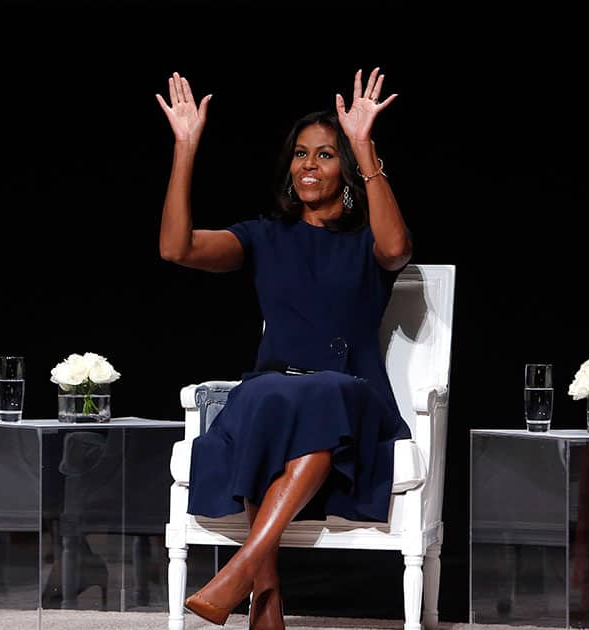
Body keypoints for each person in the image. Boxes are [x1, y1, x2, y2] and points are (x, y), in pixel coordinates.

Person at [155, 68, 412, 629]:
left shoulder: (367, 238)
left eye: (324, 154)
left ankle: (241, 572)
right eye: (300, 154)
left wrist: (365, 145)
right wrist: (185, 147)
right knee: (269, 398)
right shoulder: (265, 236)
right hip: (277, 389)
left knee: (315, 398)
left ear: (345, 168)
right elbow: (175, 247)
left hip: (351, 395)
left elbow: (396, 248)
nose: (307, 166)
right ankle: (265, 602)